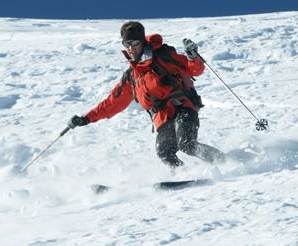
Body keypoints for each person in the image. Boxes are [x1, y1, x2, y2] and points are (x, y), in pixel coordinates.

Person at [68, 21, 225, 169]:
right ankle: (183, 175)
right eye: (127, 44)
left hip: (182, 107)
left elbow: (194, 70)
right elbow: (112, 103)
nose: (131, 48)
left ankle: (224, 162)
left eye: (135, 43)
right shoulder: (132, 76)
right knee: (165, 153)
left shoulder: (163, 57)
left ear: (142, 42)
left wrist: (193, 57)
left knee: (187, 144)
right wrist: (86, 118)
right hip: (162, 119)